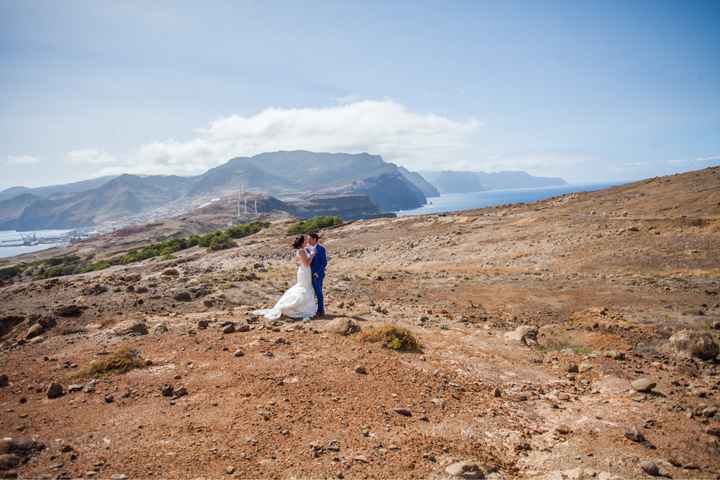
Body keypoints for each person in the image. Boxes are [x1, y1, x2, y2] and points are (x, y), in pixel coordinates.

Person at [253, 235, 317, 320]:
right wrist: (312, 255)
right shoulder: (301, 251)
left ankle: (303, 306)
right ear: (302, 242)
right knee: (304, 288)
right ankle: (295, 307)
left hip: (304, 271)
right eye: (306, 240)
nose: (307, 241)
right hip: (304, 271)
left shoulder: (302, 250)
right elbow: (306, 263)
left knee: (305, 287)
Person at [307, 232, 327, 317]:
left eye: (309, 239)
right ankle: (312, 309)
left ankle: (321, 310)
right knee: (309, 293)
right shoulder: (307, 249)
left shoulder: (321, 249)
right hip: (307, 274)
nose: (308, 240)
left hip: (317, 275)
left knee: (318, 292)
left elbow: (324, 262)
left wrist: (317, 273)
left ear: (314, 239)